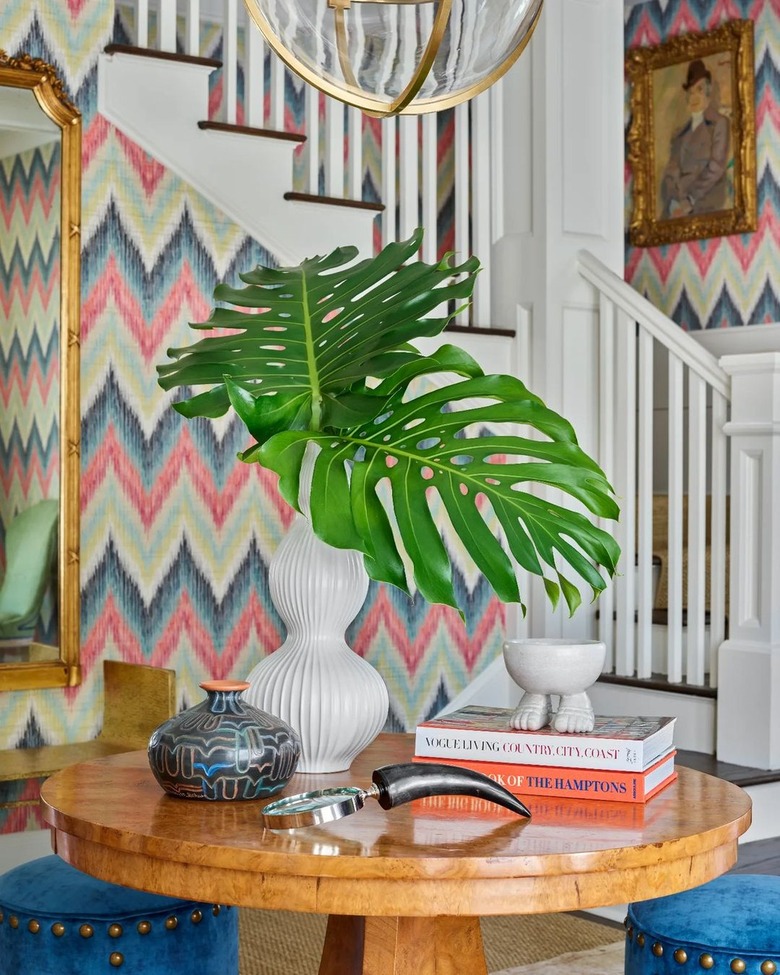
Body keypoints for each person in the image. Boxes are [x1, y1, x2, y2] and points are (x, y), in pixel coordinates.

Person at [659, 58, 730, 219]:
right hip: (678, 205)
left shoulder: (719, 124)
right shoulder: (680, 134)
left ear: (709, 91)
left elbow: (716, 166)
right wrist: (675, 201)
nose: (694, 97)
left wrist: (689, 199)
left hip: (706, 203)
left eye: (699, 89)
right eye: (690, 92)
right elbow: (671, 171)